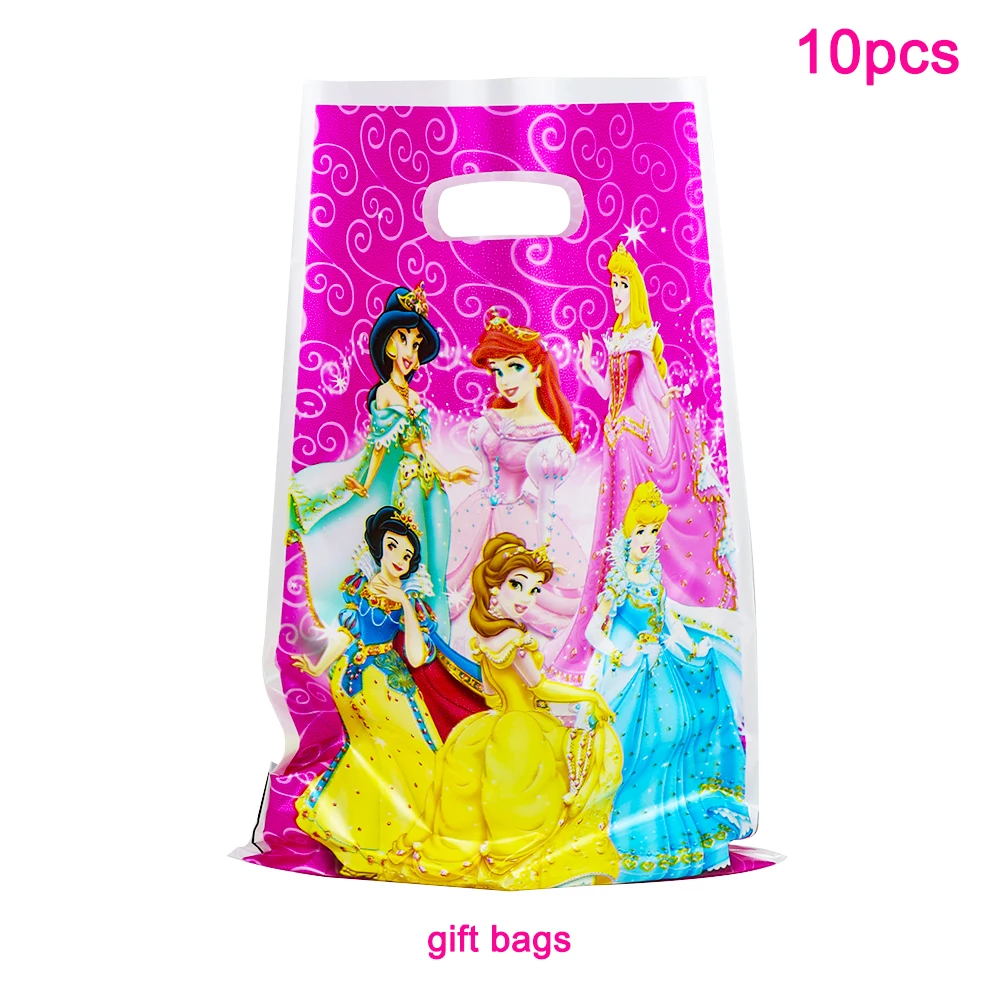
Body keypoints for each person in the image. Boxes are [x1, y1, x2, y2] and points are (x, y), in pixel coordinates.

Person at [387, 533, 623, 889]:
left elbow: (489, 692)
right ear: (494, 588)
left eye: (534, 590)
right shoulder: (516, 641)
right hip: (521, 730)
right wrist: (590, 697)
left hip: (491, 724)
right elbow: (540, 687)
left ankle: (493, 862)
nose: (526, 598)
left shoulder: (484, 639)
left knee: (480, 807)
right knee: (545, 793)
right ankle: (529, 864)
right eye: (517, 585)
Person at [551, 244, 736, 685]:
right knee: (612, 523)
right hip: (616, 441)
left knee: (632, 520)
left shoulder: (640, 336)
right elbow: (610, 393)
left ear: (633, 289)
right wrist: (587, 367)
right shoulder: (618, 336)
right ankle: (618, 602)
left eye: (622, 284)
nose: (616, 292)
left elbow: (651, 386)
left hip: (632, 439)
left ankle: (647, 601)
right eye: (612, 284)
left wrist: (665, 399)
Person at [292, 506, 485, 877]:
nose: (399, 558)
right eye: (393, 546)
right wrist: (317, 666)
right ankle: (370, 840)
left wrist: (405, 604)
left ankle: (419, 833)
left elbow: (416, 656)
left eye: (407, 554)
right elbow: (346, 633)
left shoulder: (407, 601)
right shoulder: (361, 590)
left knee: (417, 753)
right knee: (372, 757)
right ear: (379, 546)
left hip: (389, 685)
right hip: (355, 682)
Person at [580, 483, 750, 880]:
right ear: (628, 531)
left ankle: (670, 820)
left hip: (663, 667)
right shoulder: (619, 581)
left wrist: (692, 647)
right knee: (638, 745)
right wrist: (620, 653)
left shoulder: (653, 573)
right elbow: (592, 631)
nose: (647, 539)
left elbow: (669, 619)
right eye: (641, 530)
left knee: (681, 731)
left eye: (653, 531)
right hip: (634, 674)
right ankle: (632, 827)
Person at [288, 282, 476, 641]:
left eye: (416, 344)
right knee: (413, 556)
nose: (411, 352)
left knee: (437, 561)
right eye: (404, 340)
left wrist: (449, 473)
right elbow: (379, 446)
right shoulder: (387, 395)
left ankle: (437, 636)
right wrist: (364, 482)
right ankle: (408, 632)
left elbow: (419, 447)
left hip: (430, 485)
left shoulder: (414, 397)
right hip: (406, 483)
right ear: (388, 344)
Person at [447, 307, 586, 652]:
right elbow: (485, 473)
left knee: (514, 588)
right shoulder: (494, 418)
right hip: (477, 511)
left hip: (518, 518)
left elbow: (547, 503)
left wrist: (544, 547)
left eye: (515, 367)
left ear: (537, 370)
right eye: (498, 370)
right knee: (452, 577)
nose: (505, 380)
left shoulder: (548, 439)